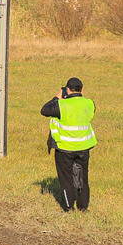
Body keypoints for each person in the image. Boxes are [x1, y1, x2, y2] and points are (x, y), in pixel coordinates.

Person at [40, 77, 97, 212]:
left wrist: (58, 96)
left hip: (65, 148)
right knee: (83, 177)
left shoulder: (61, 105)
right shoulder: (89, 104)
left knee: (66, 179)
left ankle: (68, 207)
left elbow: (44, 110)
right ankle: (83, 207)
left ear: (67, 89)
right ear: (82, 89)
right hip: (84, 147)